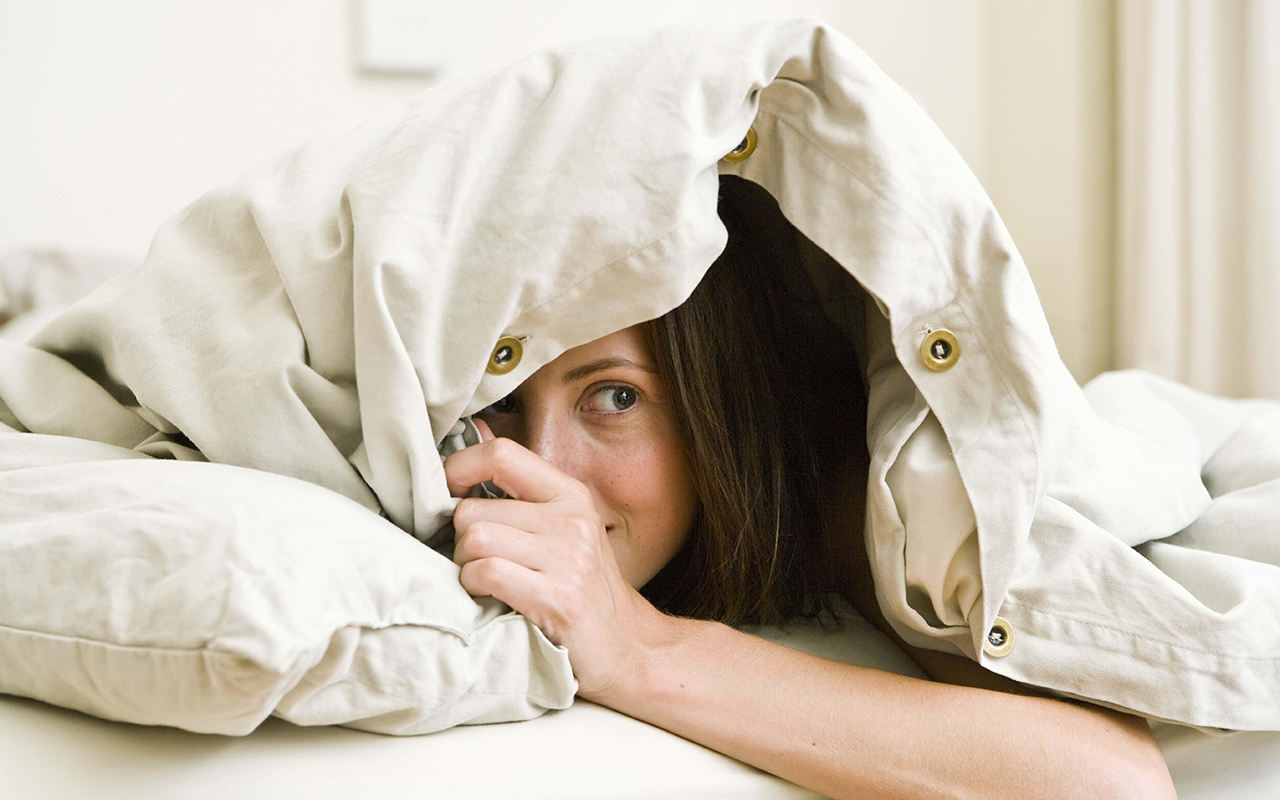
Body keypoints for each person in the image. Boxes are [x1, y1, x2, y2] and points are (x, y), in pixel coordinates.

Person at [442, 179, 1178, 799]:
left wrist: (639, 647)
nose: (541, 466)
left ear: (720, 403)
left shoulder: (860, 499)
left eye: (617, 398)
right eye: (499, 400)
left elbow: (1117, 784)